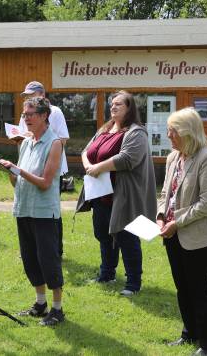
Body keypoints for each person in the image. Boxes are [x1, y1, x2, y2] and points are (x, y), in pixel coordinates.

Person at [157, 107, 207, 356]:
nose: (168, 136)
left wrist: (176, 222)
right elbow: (166, 193)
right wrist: (160, 217)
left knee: (200, 291)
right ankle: (190, 334)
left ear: (188, 132)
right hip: (173, 234)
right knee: (183, 288)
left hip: (199, 237)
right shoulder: (173, 158)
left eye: (173, 131)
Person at [76, 91, 156, 296]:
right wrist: (89, 167)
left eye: (119, 104)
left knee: (127, 237)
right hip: (101, 194)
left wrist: (99, 167)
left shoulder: (137, 132)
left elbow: (127, 159)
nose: (113, 107)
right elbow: (86, 150)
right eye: (112, 104)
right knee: (104, 234)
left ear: (130, 108)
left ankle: (133, 283)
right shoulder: (105, 129)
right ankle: (107, 273)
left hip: (124, 196)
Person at [0, 97, 65, 326]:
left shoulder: (54, 143)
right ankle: (40, 304)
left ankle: (57, 309)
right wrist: (11, 171)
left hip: (44, 212)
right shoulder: (25, 143)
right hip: (24, 208)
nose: (26, 118)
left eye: (30, 114)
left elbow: (46, 182)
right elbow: (18, 180)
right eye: (24, 114)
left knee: (48, 260)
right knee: (30, 259)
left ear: (44, 115)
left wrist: (17, 170)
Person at [16, 81, 69, 256]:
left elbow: (62, 139)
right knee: (29, 209)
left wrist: (43, 142)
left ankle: (55, 251)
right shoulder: (27, 112)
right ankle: (31, 249)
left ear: (42, 94)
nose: (28, 98)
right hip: (30, 162)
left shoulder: (56, 112)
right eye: (26, 96)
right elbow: (26, 135)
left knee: (50, 210)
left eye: (31, 95)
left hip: (50, 166)